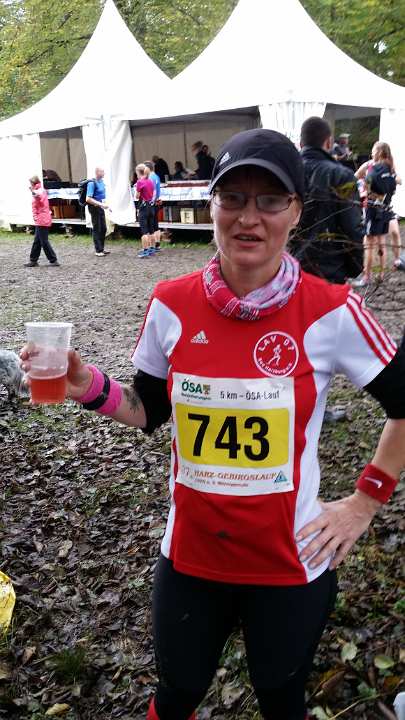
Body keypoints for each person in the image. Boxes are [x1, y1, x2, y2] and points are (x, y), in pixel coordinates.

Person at [21, 128, 405, 720]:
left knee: (281, 699)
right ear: (212, 205)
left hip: (289, 563)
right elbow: (150, 409)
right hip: (191, 559)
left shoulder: (332, 310)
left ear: (295, 211)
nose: (249, 217)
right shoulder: (171, 302)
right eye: (233, 198)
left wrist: (363, 503)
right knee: (176, 693)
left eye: (269, 200)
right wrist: (84, 386)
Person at [291, 116, 363, 285]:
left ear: (301, 144)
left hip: (290, 267)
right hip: (330, 268)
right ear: (329, 142)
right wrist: (355, 267)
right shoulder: (341, 176)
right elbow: (351, 227)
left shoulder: (287, 173)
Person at [354, 142, 400, 285]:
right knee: (381, 242)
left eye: (373, 150)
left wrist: (363, 187)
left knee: (369, 243)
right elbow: (397, 181)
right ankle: (381, 275)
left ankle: (366, 277)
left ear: (379, 152)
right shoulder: (390, 167)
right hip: (385, 209)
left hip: (372, 210)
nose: (371, 153)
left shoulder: (370, 166)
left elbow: (359, 182)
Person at [24, 175, 60, 268]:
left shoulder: (38, 191)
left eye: (30, 183)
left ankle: (53, 260)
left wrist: (33, 192)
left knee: (44, 241)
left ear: (33, 183)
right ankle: (33, 260)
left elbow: (38, 198)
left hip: (42, 219)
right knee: (37, 241)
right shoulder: (41, 190)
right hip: (42, 218)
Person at [86, 167, 110, 257]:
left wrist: (105, 205)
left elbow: (102, 195)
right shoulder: (92, 183)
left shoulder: (102, 182)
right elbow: (88, 199)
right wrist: (100, 204)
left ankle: (101, 248)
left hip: (100, 207)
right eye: (102, 171)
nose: (104, 173)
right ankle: (98, 250)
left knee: (103, 228)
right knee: (97, 228)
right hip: (94, 208)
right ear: (97, 172)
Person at [134, 164, 156, 258]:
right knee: (151, 230)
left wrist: (136, 190)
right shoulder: (150, 181)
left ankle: (145, 250)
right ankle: (152, 249)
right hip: (151, 206)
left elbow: (137, 196)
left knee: (144, 231)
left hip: (143, 207)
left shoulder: (140, 182)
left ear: (138, 172)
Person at [145, 161, 162, 250]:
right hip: (156, 202)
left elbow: (152, 191)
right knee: (155, 224)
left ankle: (151, 245)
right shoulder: (156, 176)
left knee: (150, 224)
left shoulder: (150, 177)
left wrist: (151, 201)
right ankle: (157, 244)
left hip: (151, 203)